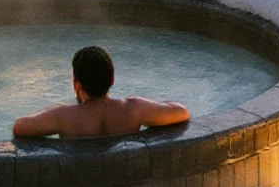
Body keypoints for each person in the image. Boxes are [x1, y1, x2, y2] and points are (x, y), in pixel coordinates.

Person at [13, 45, 190, 139]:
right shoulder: (133, 109)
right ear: (112, 80)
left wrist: (52, 110)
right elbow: (181, 111)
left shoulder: (64, 116)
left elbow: (19, 127)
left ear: (77, 85)